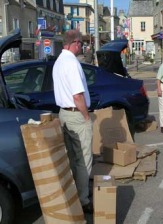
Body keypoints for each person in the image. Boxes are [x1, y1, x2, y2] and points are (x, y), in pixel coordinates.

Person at [52, 29, 93, 213]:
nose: (82, 47)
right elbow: (77, 95)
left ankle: (73, 194)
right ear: (75, 43)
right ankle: (83, 200)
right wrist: (86, 117)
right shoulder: (71, 62)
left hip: (63, 114)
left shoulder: (59, 62)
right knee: (83, 159)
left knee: (72, 158)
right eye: (81, 44)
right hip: (76, 114)